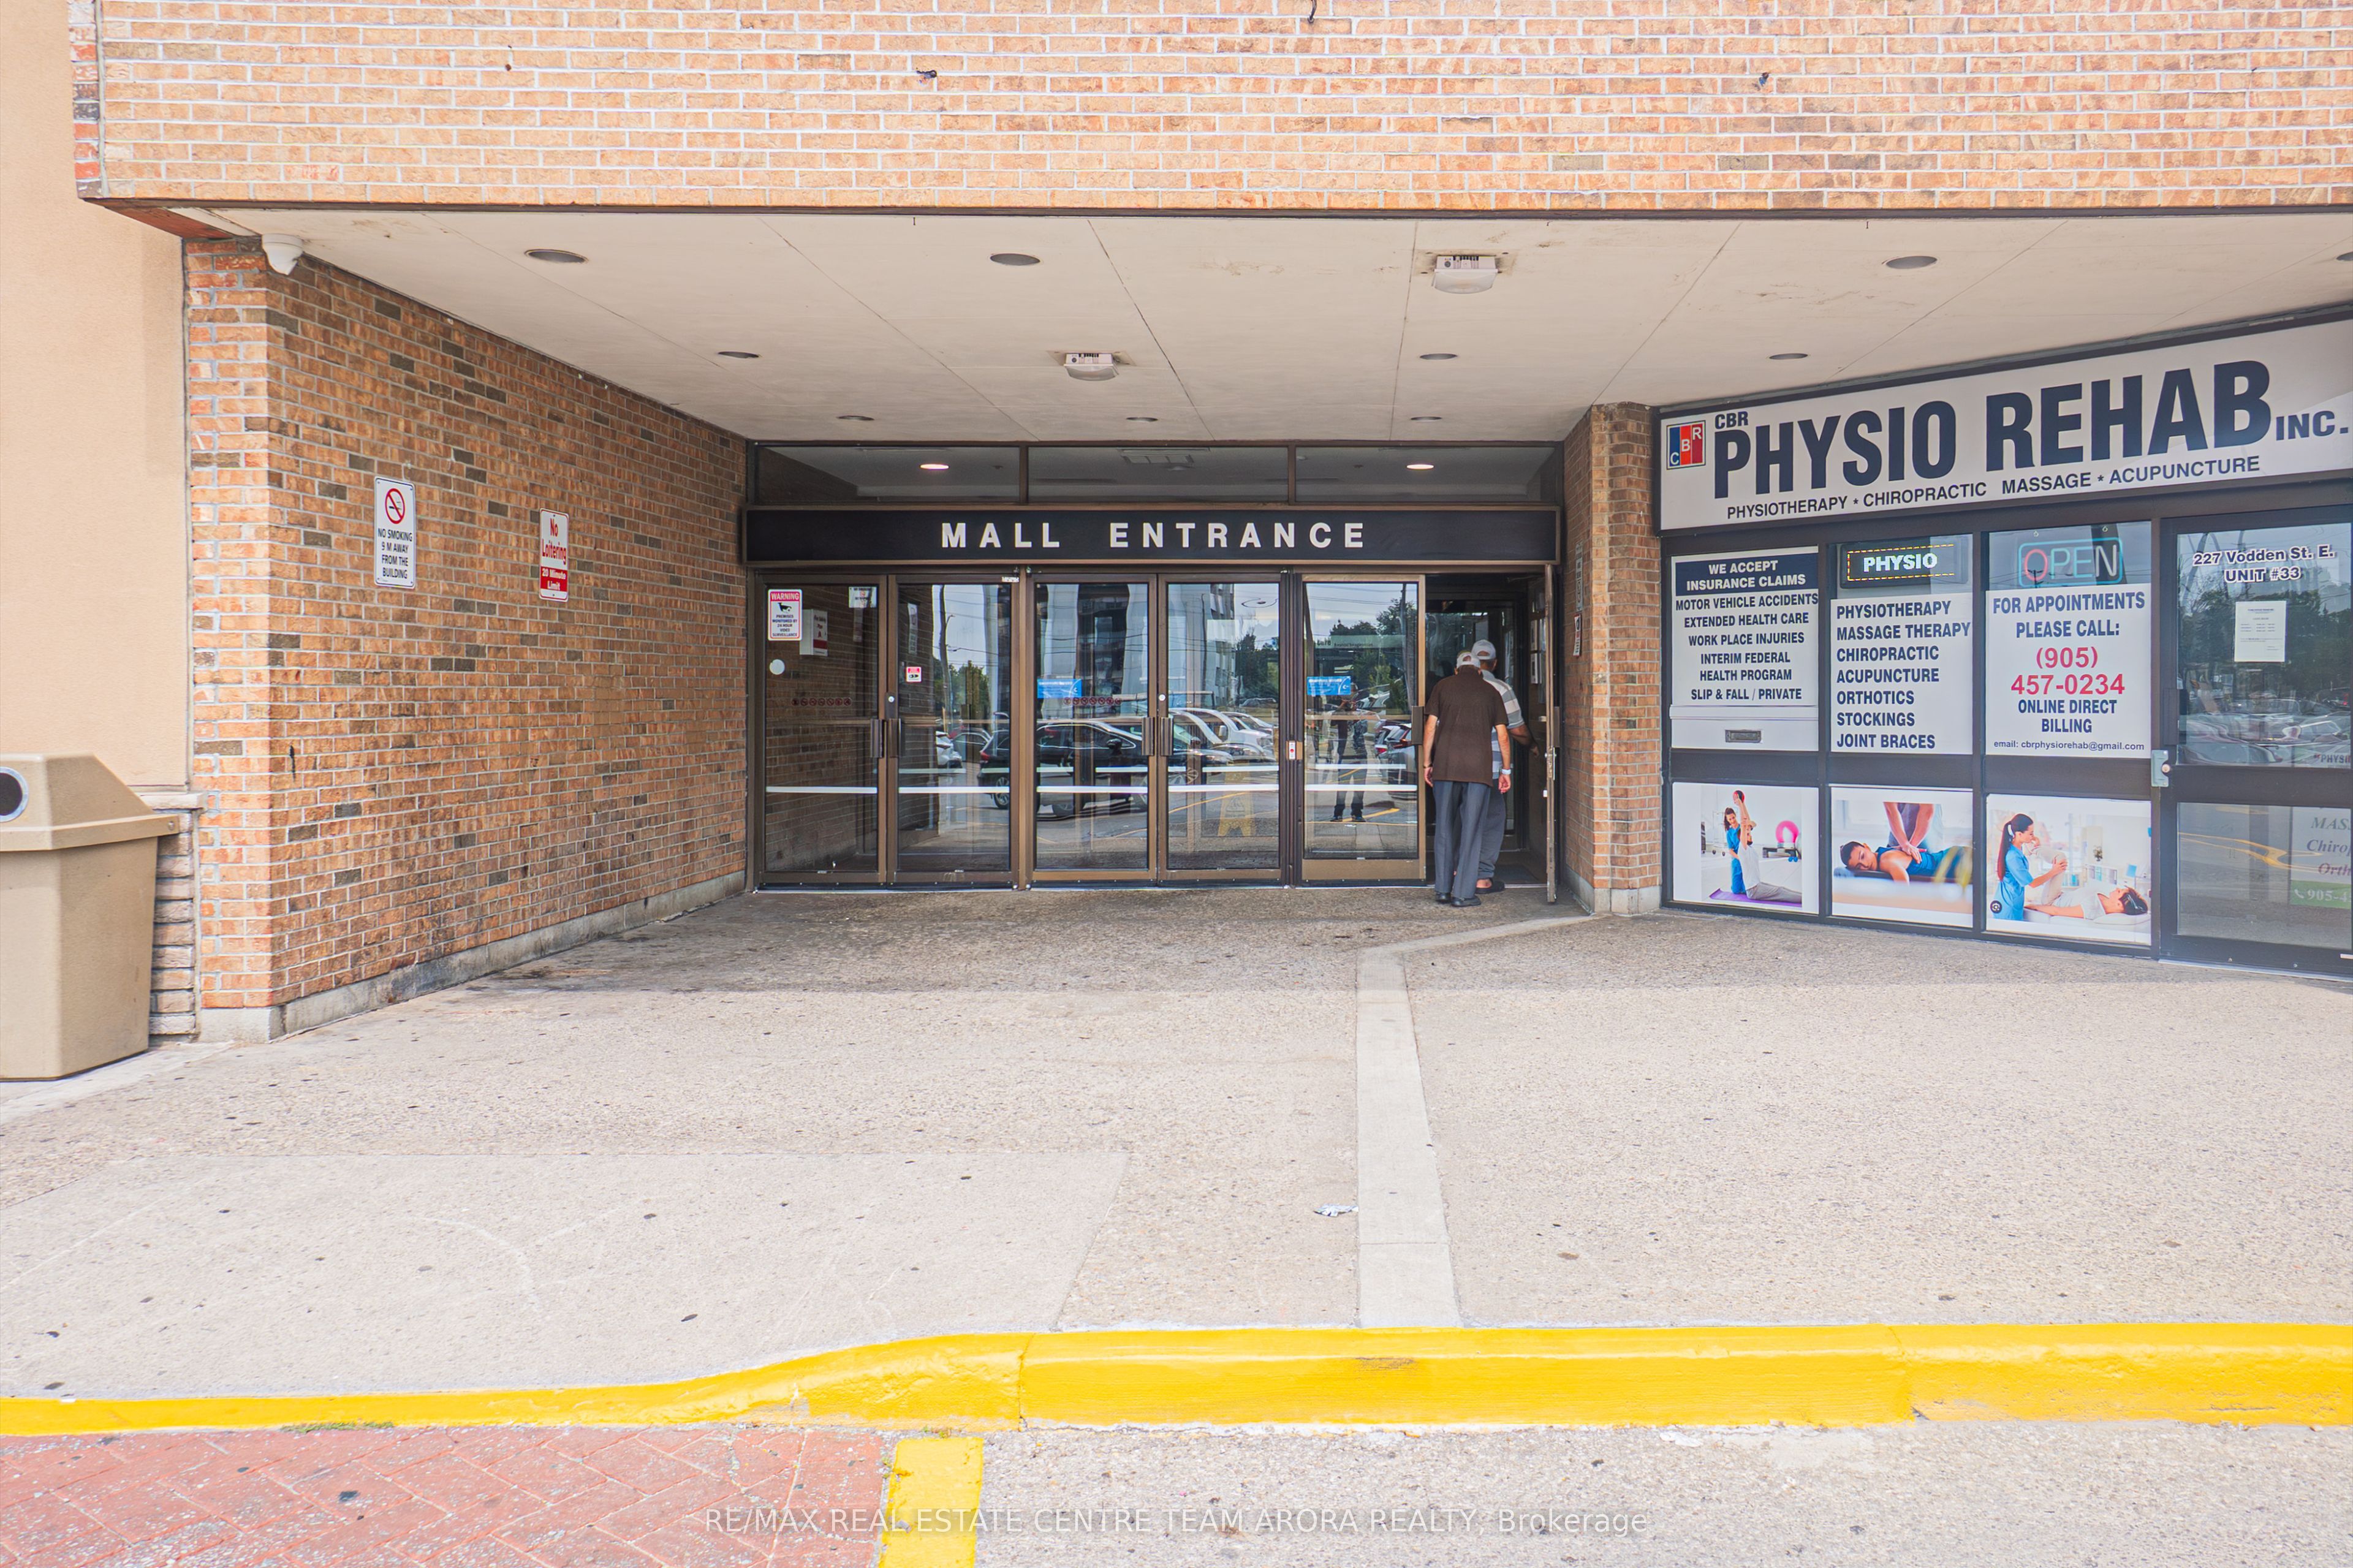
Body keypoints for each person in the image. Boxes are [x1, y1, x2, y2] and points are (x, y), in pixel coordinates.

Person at [1422, 650, 1511, 907]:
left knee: (1444, 827)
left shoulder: (1443, 687)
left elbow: (1430, 727)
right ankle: (1463, 894)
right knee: (1472, 829)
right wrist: (1506, 771)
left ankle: (1442, 890)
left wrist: (1428, 763)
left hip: (1445, 768)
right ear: (1480, 670)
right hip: (1478, 771)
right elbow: (1503, 736)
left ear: (1457, 669)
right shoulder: (1491, 692)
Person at [1469, 639, 1528, 893]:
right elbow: (1516, 730)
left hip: (1458, 767)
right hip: (1491, 766)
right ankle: (1482, 877)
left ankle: (1459, 871)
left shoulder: (1452, 687)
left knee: (1462, 817)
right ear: (1494, 663)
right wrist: (1533, 746)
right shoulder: (1502, 689)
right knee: (1492, 818)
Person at [1991, 812, 2064, 920]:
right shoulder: (2013, 857)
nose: (2033, 836)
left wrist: (2034, 841)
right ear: (2019, 834)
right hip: (2008, 906)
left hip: (2012, 901)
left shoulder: (2017, 847)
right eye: (2031, 833)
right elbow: (2033, 883)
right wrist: (2054, 871)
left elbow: (2028, 851)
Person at [2029, 884, 2149, 919]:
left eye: (2119, 891)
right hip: (2062, 894)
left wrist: (2034, 907)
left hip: (2052, 900)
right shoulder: (2107, 900)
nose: (2117, 889)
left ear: (2119, 904)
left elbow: (2057, 911)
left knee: (2060, 859)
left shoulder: (2092, 908)